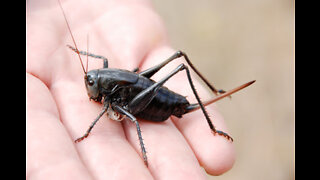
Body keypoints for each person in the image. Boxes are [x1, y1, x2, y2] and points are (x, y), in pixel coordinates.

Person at [27, 0, 235, 179]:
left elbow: (133, 119)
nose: (88, 85)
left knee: (178, 61)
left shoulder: (107, 88)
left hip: (153, 101)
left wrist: (88, 132)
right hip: (137, 89)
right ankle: (213, 97)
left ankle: (212, 117)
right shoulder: (104, 72)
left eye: (91, 83)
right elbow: (105, 65)